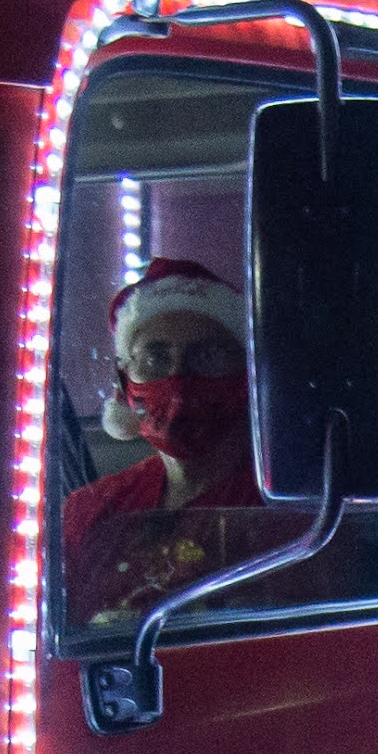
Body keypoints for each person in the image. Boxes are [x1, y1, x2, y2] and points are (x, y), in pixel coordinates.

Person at [61, 260, 261, 626]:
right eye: (155, 358)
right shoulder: (89, 512)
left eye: (207, 356)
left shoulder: (289, 505)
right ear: (125, 380)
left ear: (245, 373)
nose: (178, 380)